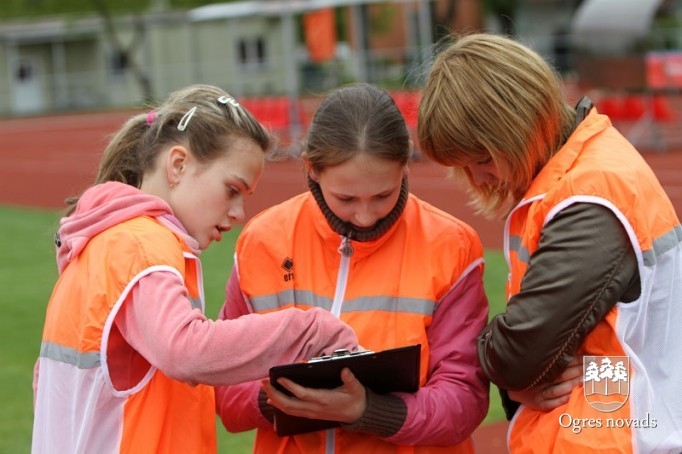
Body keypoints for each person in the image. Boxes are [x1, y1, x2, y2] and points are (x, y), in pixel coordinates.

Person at [31, 84, 359, 454]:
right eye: (231, 190)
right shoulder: (141, 244)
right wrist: (310, 329)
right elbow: (184, 349)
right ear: (178, 165)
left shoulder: (100, 243)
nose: (238, 214)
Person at [418, 33, 682, 452]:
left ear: (518, 123)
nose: (479, 178)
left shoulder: (590, 194)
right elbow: (615, 354)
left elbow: (519, 353)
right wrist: (519, 379)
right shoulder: (578, 174)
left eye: (482, 159)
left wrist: (504, 363)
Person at [215, 83, 490, 453]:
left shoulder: (452, 245)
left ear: (405, 165)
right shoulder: (261, 241)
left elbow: (464, 401)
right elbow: (223, 390)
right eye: (345, 198)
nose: (364, 216)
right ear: (312, 168)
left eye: (382, 195)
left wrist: (369, 411)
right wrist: (282, 398)